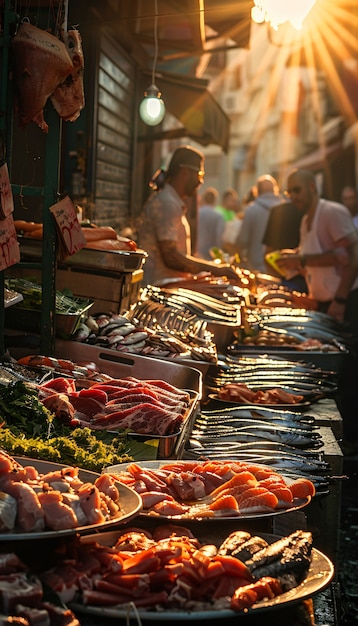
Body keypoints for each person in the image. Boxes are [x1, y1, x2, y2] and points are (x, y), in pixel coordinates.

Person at [277, 168, 358, 456]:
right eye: (290, 191)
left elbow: (351, 256)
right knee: (336, 376)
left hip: (346, 301)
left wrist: (339, 299)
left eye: (297, 189)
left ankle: (351, 440)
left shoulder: (332, 212)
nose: (293, 196)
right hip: (326, 303)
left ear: (312, 186)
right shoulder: (306, 220)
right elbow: (318, 259)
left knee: (349, 372)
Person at [137, 145, 239, 286]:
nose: (200, 182)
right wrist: (216, 270)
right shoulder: (168, 204)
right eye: (199, 175)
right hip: (159, 287)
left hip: (169, 285)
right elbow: (171, 257)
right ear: (185, 172)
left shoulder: (171, 202)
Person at [235, 174, 282, 273]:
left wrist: (238, 259)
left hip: (256, 267)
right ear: (275, 190)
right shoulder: (285, 209)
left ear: (257, 191)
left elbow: (242, 240)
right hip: (279, 267)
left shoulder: (251, 210)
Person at [262, 200, 307, 291]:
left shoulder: (278, 211)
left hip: (285, 278)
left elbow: (268, 252)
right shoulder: (313, 211)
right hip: (311, 280)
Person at [197, 187, 225, 260]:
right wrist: (218, 256)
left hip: (196, 250)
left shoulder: (197, 213)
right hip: (211, 252)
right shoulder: (218, 216)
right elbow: (218, 237)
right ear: (215, 200)